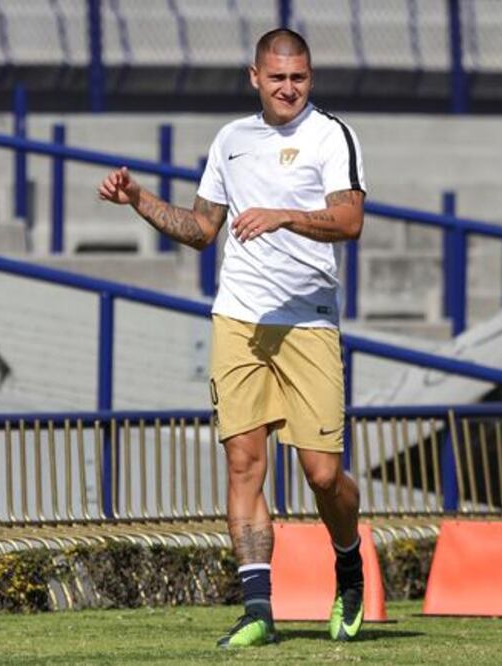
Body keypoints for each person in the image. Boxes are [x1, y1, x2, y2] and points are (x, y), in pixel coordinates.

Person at [98, 28, 366, 648]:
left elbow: (350, 220)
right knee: (244, 463)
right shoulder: (231, 141)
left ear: (311, 77)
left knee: (323, 476)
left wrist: (284, 215)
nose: (288, 89)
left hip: (309, 322)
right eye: (277, 78)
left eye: (298, 77)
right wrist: (139, 199)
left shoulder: (331, 135)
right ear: (255, 77)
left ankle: (348, 564)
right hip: (238, 321)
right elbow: (200, 228)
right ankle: (257, 611)